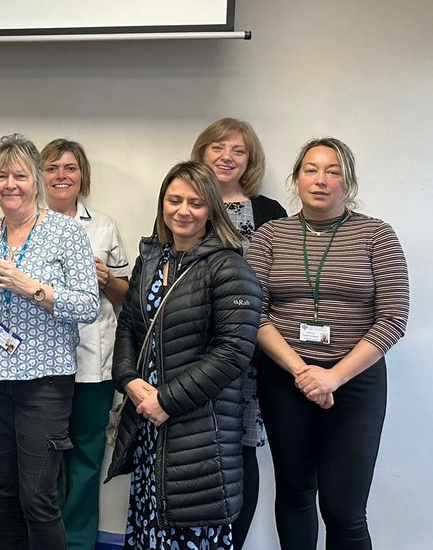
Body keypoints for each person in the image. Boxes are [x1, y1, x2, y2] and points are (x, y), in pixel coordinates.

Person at [247, 138, 409, 550]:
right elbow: (254, 312)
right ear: (296, 178)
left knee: (345, 511)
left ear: (348, 182)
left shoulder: (377, 235)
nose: (321, 180)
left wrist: (333, 377)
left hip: (355, 383)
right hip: (286, 379)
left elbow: (393, 317)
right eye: (311, 170)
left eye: (332, 171)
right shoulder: (270, 236)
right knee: (296, 495)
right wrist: (302, 371)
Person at [0, 134, 99, 550]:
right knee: (3, 492)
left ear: (36, 180)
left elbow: (88, 305)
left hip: (44, 383)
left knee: (38, 497)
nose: (10, 184)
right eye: (1, 176)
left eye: (19, 175)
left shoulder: (67, 233)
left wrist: (30, 287)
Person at [106, 161, 261, 550]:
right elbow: (128, 325)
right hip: (147, 421)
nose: (183, 210)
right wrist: (128, 379)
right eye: (174, 200)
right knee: (148, 528)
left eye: (195, 202)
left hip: (197, 428)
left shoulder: (229, 266)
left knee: (191, 529)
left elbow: (234, 351)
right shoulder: (151, 259)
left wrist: (167, 401)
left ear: (212, 208)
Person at [189, 117, 287, 548]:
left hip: (249, 352)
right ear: (202, 152)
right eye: (217, 147)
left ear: (250, 160)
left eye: (238, 151)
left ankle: (234, 542)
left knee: (241, 448)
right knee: (191, 447)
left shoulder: (270, 213)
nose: (227, 157)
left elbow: (279, 287)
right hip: (189, 348)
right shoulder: (185, 204)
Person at [39, 139, 128, 550]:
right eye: (52, 167)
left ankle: (77, 543)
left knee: (86, 459)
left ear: (82, 176)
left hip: (94, 361)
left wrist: (107, 279)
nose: (61, 175)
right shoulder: (27, 223)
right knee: (42, 462)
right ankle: (46, 540)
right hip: (39, 363)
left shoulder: (104, 226)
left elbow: (126, 296)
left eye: (70, 168)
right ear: (41, 176)